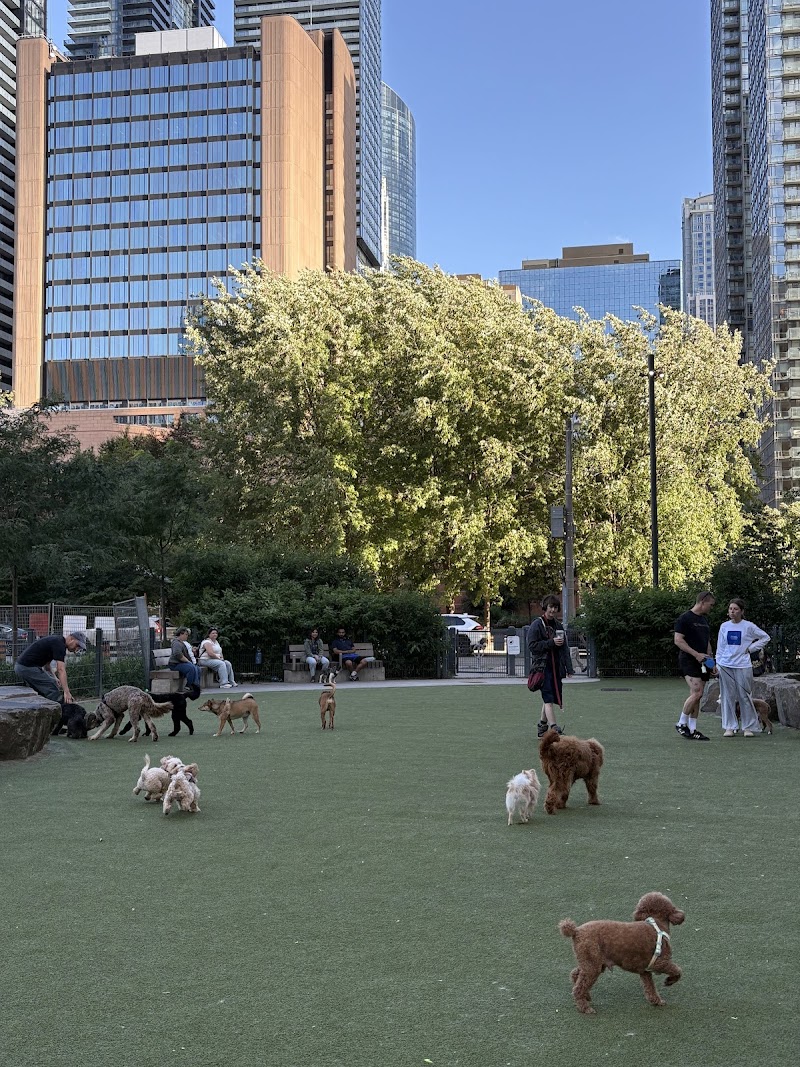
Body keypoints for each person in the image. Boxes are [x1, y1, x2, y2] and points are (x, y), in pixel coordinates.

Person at [715, 599, 770, 737]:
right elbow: (720, 647)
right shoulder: (724, 626)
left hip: (743, 665)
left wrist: (751, 649)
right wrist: (718, 663)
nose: (732, 611)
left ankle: (748, 727)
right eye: (730, 609)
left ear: (742, 611)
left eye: (735, 609)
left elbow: (765, 637)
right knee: (727, 696)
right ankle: (729, 727)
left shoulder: (748, 626)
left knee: (745, 696)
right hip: (726, 665)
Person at [673, 591, 715, 741]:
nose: (711, 607)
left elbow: (707, 642)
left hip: (703, 663)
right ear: (702, 602)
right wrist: (696, 654)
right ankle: (681, 723)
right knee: (697, 692)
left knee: (698, 694)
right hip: (689, 660)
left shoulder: (704, 620)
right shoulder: (685, 618)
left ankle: (693, 729)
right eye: (710, 605)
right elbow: (678, 640)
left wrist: (711, 661)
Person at [527, 595, 572, 737]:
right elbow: (532, 646)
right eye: (550, 607)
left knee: (550, 697)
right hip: (542, 668)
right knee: (548, 698)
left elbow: (565, 648)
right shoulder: (537, 625)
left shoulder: (558, 626)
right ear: (545, 608)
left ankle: (542, 726)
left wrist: (569, 668)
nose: (553, 610)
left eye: (555, 607)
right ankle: (554, 728)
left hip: (555, 668)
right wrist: (551, 643)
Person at [14, 631, 86, 706]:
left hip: (24, 667)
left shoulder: (57, 641)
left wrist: (54, 678)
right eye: (77, 645)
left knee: (52, 682)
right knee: (51, 687)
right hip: (26, 667)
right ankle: (60, 709)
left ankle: (44, 707)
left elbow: (47, 666)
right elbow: (61, 670)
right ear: (71, 639)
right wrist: (66, 692)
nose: (76, 648)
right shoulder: (60, 645)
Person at [169, 627, 201, 691]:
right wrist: (188, 661)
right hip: (175, 664)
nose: (187, 636)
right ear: (181, 634)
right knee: (191, 668)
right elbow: (178, 654)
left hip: (181, 663)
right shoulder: (176, 643)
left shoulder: (182, 642)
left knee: (198, 669)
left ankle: (196, 686)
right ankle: (189, 686)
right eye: (186, 634)